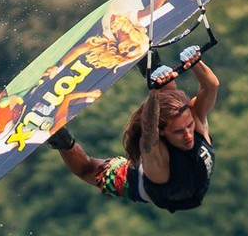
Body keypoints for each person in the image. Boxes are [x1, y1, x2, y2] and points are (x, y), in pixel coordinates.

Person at [45, 46, 219, 212]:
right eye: (179, 131)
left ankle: (57, 137)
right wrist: (159, 88)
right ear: (163, 132)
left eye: (189, 126)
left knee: (89, 170)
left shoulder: (193, 120)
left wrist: (197, 63)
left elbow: (211, 87)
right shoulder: (157, 153)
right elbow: (149, 128)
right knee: (167, 93)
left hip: (154, 189)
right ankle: (149, 63)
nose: (189, 135)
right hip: (165, 177)